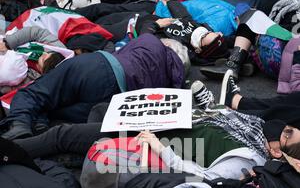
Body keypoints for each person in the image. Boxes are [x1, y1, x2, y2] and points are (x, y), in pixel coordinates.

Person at [0, 34, 185, 139]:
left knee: (37, 93)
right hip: (116, 101)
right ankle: (38, 129)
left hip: (99, 66)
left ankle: (19, 124)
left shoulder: (151, 42)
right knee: (60, 112)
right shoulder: (174, 81)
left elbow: (123, 50)